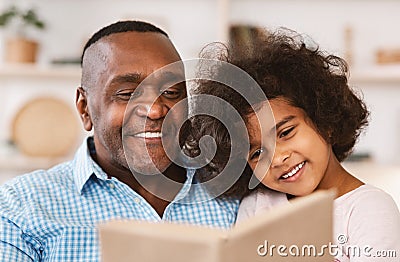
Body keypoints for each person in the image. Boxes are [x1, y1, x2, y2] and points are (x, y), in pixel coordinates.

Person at [0, 20, 239, 261]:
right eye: (127, 94)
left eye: (170, 92)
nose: (155, 111)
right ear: (85, 109)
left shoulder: (236, 190)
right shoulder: (19, 208)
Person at [186, 29, 400, 261]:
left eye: (286, 132)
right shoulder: (257, 205)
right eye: (257, 153)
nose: (277, 159)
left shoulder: (369, 208)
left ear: (325, 121)